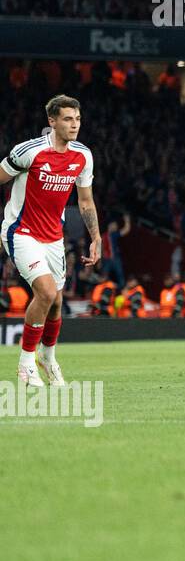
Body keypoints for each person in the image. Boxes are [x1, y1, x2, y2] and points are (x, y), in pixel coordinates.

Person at [0, 95, 100, 386]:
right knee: (45, 292)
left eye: (78, 119)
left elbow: (85, 201)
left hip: (54, 237)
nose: (74, 125)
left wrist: (96, 238)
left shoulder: (83, 156)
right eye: (68, 119)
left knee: (56, 302)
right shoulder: (29, 152)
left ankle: (48, 356)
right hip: (21, 232)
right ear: (52, 121)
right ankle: (25, 364)